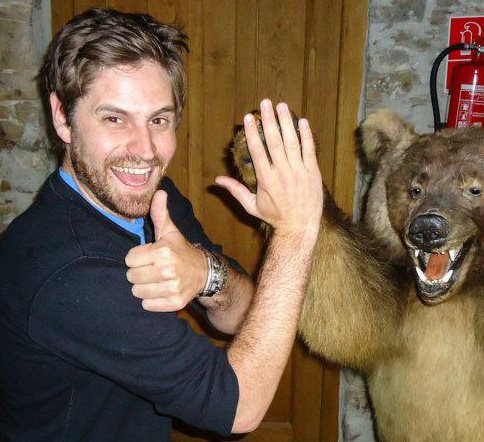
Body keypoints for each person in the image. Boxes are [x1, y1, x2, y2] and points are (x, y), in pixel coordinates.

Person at [0, 8, 323, 442]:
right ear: (63, 117)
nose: (145, 150)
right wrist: (296, 232)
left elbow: (241, 315)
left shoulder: (153, 200)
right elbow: (239, 408)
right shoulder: (69, 271)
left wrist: (207, 274)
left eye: (159, 119)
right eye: (114, 118)